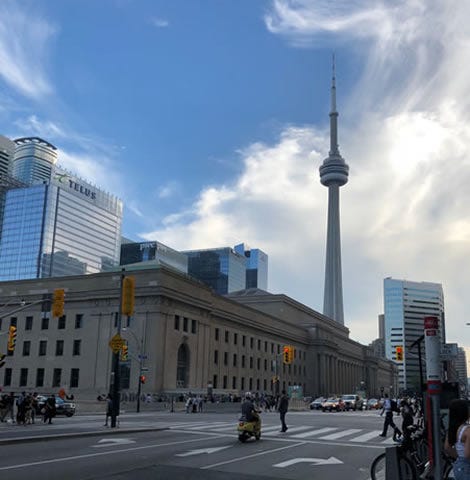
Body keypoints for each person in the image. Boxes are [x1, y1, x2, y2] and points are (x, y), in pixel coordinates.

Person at [445, 399, 470, 479]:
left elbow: (447, 448)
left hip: (458, 467)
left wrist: (459, 456)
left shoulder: (453, 429)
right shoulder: (467, 431)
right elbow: (468, 454)